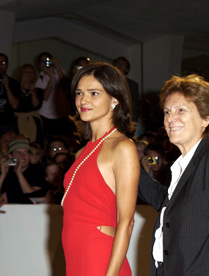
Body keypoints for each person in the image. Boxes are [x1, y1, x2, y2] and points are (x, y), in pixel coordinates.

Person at [138, 74, 209, 275]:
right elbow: (164, 201)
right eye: (167, 112)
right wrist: (129, 164)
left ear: (205, 119)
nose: (171, 119)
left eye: (181, 110)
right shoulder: (182, 166)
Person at [61, 62, 139, 275]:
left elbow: (127, 221)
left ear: (115, 99)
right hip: (75, 258)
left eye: (93, 93)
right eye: (79, 93)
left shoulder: (122, 147)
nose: (83, 100)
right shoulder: (81, 153)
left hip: (100, 259)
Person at [35, 52, 72, 136]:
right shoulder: (38, 77)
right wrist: (51, 77)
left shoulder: (60, 72)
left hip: (61, 114)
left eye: (47, 61)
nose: (45, 63)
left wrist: (57, 67)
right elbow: (45, 96)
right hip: (45, 115)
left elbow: (67, 86)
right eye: (42, 61)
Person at [0, 138, 46, 203]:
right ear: (10, 156)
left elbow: (32, 197)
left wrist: (19, 173)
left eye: (25, 152)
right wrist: (3, 175)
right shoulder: (7, 170)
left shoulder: (37, 170)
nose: (22, 156)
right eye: (18, 153)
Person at [14, 64, 44, 142]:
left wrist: (33, 91)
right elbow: (15, 106)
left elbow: (36, 106)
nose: (29, 75)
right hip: (18, 121)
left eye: (31, 72)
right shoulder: (14, 88)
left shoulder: (38, 91)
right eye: (26, 72)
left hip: (33, 121)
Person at [0, 53, 20, 135]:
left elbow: (15, 105)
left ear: (7, 65)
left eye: (3, 63)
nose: (0, 65)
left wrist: (7, 87)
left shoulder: (14, 83)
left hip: (7, 123)